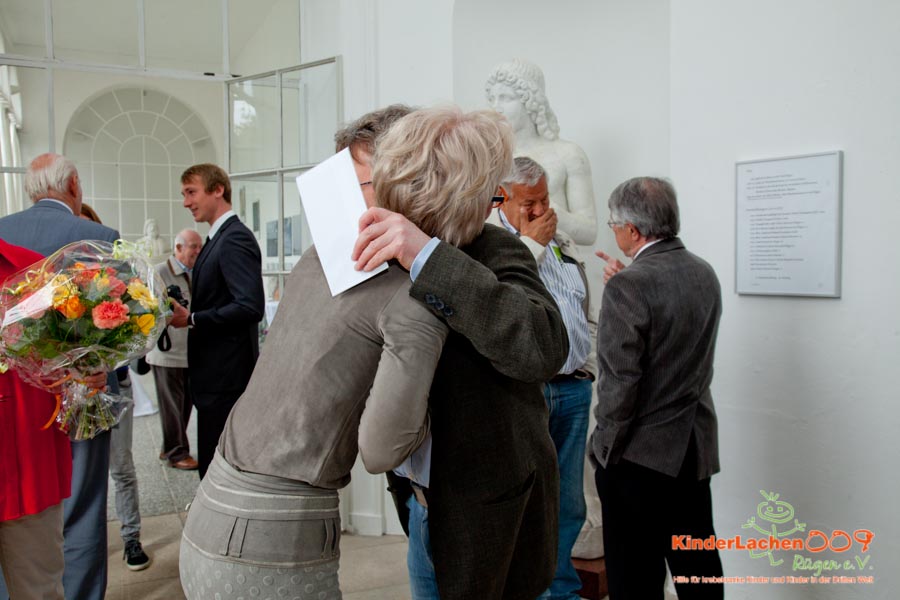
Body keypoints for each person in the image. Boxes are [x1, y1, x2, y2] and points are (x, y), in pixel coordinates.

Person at [179, 105, 515, 599]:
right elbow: (381, 450)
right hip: (273, 536)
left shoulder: (321, 255)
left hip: (212, 504)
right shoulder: (413, 299)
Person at [356, 142, 569, 597]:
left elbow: (543, 345)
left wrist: (428, 257)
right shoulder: (377, 251)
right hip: (418, 498)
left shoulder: (495, 246)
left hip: (487, 509)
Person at [590, 177, 724, 599]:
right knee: (699, 573)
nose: (613, 232)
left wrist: (603, 449)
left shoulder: (630, 286)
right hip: (693, 449)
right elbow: (674, 335)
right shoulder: (703, 272)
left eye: (614, 224)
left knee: (635, 581)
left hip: (638, 456)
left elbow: (620, 383)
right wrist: (626, 283)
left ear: (632, 230)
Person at [0, 153, 119, 600]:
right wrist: (98, 366)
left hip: (30, 434)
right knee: (83, 504)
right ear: (73, 185)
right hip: (60, 412)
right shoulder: (97, 237)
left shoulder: (15, 247)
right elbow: (117, 317)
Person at [488, 156, 597, 600]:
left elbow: (579, 302)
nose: (540, 211)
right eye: (529, 203)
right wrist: (531, 245)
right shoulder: (490, 244)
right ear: (502, 198)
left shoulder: (560, 239)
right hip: (526, 392)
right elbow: (502, 305)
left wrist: (588, 359)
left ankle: (561, 590)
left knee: (569, 503)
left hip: (573, 388)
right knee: (526, 502)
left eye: (545, 200)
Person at [168, 164, 264, 479]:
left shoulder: (234, 238)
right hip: (215, 377)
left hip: (226, 380)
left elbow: (249, 306)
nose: (186, 202)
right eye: (184, 194)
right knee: (213, 466)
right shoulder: (217, 237)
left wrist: (192, 318)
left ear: (218, 189)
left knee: (219, 470)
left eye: (191, 192)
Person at [78, 203, 151, 571]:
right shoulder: (66, 286)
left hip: (115, 386)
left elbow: (138, 329)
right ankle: (85, 544)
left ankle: (131, 538)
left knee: (121, 467)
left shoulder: (119, 279)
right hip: (77, 392)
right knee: (82, 475)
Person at [486, 58, 597, 245]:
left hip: (556, 257)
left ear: (531, 100)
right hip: (504, 257)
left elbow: (589, 231)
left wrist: (544, 209)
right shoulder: (487, 159)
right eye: (492, 99)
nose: (496, 107)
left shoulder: (568, 154)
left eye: (506, 98)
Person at [146, 229, 202, 471]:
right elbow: (147, 309)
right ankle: (176, 453)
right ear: (178, 248)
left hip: (189, 351)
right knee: (171, 406)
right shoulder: (160, 272)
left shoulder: (197, 272)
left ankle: (168, 446)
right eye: (193, 246)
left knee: (185, 404)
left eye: (199, 246)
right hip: (166, 353)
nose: (198, 251)